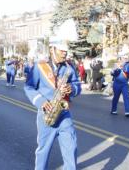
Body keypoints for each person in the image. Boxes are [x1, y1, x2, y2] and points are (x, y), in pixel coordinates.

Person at [24, 25, 81, 169]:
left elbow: (77, 85)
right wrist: (42, 102)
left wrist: (72, 88)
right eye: (61, 50)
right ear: (52, 49)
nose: (64, 54)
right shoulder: (40, 67)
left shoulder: (69, 67)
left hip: (64, 114)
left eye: (66, 51)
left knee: (71, 148)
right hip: (46, 114)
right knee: (43, 151)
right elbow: (29, 87)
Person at [111, 45, 129, 117]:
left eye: (126, 57)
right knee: (116, 97)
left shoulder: (127, 65)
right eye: (124, 57)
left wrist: (124, 68)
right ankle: (113, 110)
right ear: (121, 58)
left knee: (126, 97)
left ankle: (127, 111)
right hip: (117, 84)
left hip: (124, 84)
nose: (126, 58)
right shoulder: (116, 64)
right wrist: (116, 69)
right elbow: (112, 73)